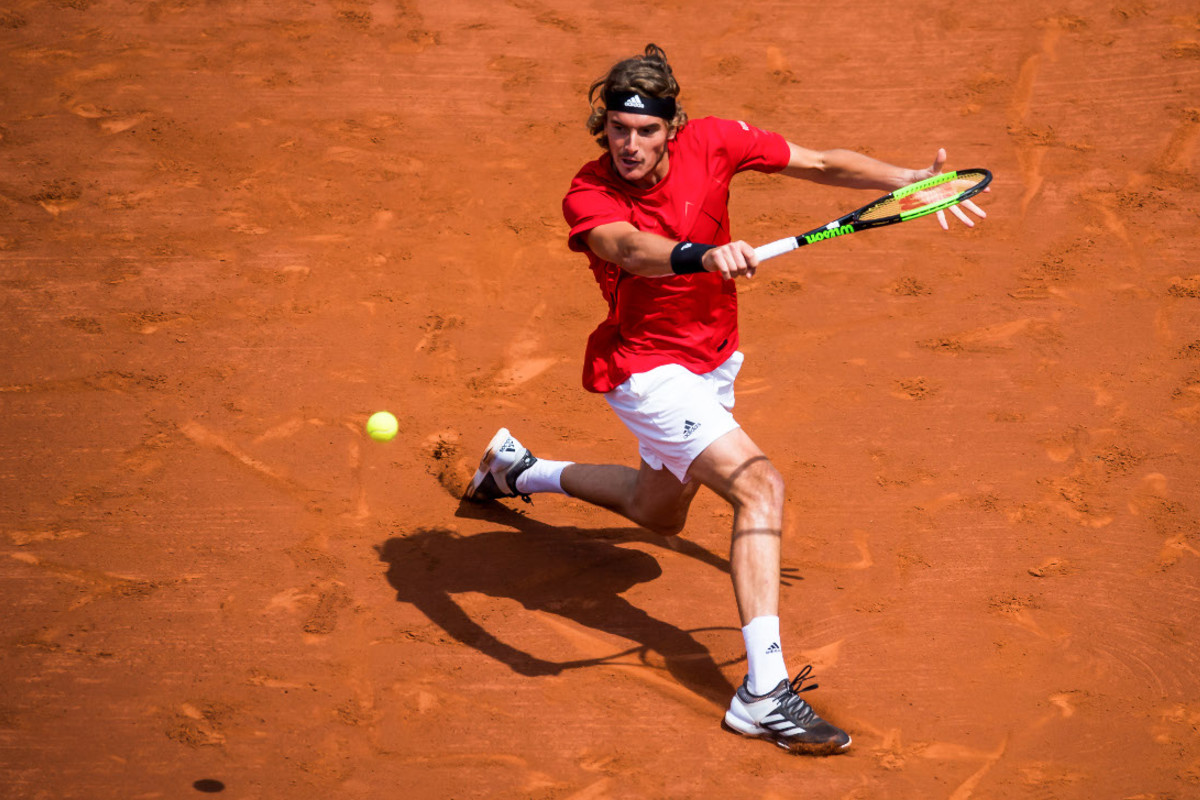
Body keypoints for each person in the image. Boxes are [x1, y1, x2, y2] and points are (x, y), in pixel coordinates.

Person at [464, 44, 986, 756]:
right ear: (603, 127)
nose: (630, 144)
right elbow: (628, 250)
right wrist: (700, 254)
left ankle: (517, 471)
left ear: (673, 129)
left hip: (711, 359)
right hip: (645, 370)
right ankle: (763, 693)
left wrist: (909, 180)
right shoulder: (590, 193)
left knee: (658, 515)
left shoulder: (717, 139)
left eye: (646, 131)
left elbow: (823, 163)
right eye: (618, 128)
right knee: (759, 488)